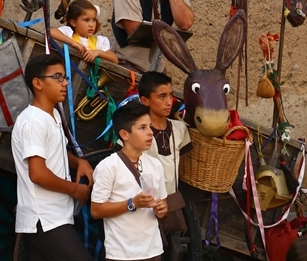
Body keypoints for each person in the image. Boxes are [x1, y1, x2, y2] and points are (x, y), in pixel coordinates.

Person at [12, 53, 94, 261]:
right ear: (38, 83)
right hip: (45, 218)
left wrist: (79, 162)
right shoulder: (33, 121)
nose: (65, 82)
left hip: (56, 216)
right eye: (57, 77)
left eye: (65, 77)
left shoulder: (53, 115)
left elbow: (53, 151)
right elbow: (38, 174)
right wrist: (75, 189)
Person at [91, 101, 168, 261]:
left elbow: (161, 203)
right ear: (124, 134)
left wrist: (162, 208)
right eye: (142, 128)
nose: (150, 133)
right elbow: (96, 210)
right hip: (121, 254)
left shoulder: (156, 165)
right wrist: (132, 203)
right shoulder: (108, 166)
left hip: (153, 252)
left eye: (149, 126)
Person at [138, 71, 192, 261]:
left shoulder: (179, 129)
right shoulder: (136, 130)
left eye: (170, 95)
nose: (169, 101)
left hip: (171, 203)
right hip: (144, 205)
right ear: (145, 100)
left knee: (173, 253)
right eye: (162, 97)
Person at [50, 0, 118, 64]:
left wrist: (97, 52)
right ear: (73, 22)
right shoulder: (69, 34)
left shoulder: (98, 42)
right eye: (86, 20)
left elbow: (115, 59)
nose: (91, 25)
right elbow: (50, 31)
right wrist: (72, 43)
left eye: (94, 20)